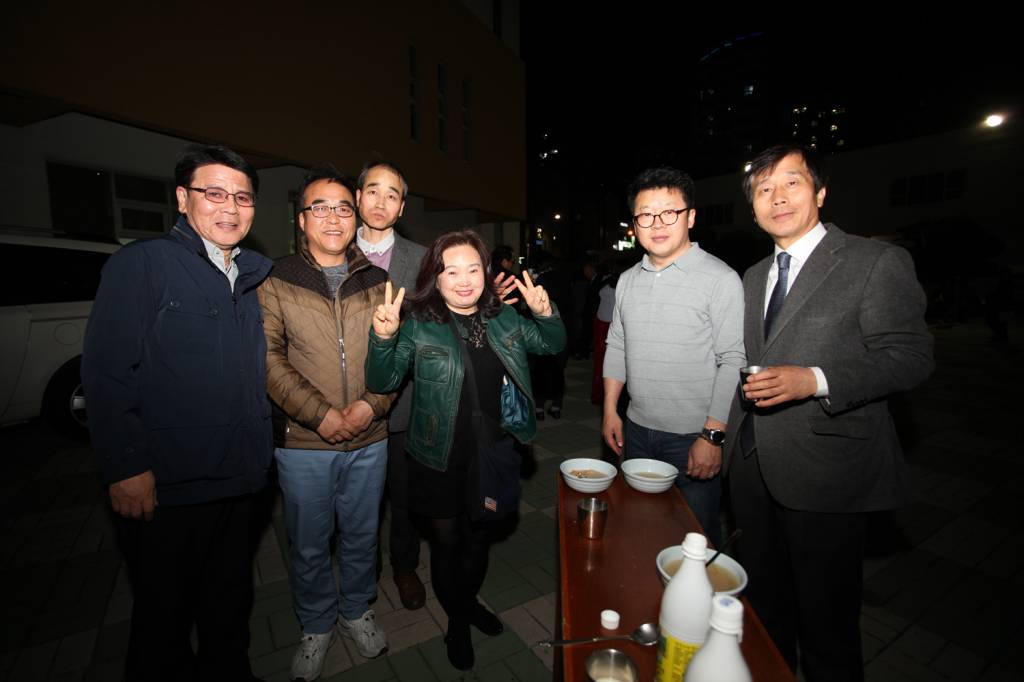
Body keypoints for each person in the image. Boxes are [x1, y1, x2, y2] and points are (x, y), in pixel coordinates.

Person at [725, 145, 934, 682]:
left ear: (819, 192)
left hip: (827, 471)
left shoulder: (873, 262)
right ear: (753, 208)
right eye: (764, 189)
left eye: (791, 183)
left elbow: (910, 357)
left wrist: (813, 380)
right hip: (752, 467)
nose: (777, 198)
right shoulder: (753, 276)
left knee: (827, 624)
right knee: (762, 611)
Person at [82, 144, 272, 681]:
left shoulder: (252, 277)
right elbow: (106, 373)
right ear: (183, 199)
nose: (229, 207)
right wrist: (125, 465)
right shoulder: (142, 265)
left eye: (242, 197)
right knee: (163, 619)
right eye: (214, 193)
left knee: (228, 602)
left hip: (240, 476)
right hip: (170, 486)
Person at [365, 230, 565, 670]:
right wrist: (383, 338)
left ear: (486, 273)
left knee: (479, 538)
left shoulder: (504, 319)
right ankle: (457, 622)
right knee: (446, 543)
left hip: (491, 451)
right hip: (435, 455)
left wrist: (544, 313)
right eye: (451, 271)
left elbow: (552, 344)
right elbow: (381, 381)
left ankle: (467, 603)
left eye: (473, 269)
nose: (464, 280)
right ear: (435, 278)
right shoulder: (418, 324)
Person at [259, 165, 394, 679]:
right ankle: (316, 624)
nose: (333, 218)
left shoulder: (377, 280)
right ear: (301, 219)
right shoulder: (276, 279)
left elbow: (395, 355)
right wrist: (322, 416)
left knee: (362, 536)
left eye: (343, 207)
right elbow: (268, 359)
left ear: (355, 216)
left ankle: (357, 611)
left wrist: (370, 406)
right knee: (310, 544)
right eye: (320, 207)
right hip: (303, 443)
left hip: (370, 437)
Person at [602, 167, 744, 544]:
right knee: (640, 530)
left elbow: (733, 359)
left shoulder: (721, 278)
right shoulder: (627, 280)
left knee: (695, 540)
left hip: (692, 436)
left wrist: (712, 436)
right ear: (634, 223)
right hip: (637, 430)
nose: (657, 224)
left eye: (669, 212)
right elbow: (617, 345)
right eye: (646, 214)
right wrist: (610, 410)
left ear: (691, 217)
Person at [354, 159, 429, 611]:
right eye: (373, 191)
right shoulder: (333, 248)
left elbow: (435, 324)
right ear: (358, 196)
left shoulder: (420, 259)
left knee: (404, 496)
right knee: (359, 502)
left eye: (392, 194)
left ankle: (405, 566)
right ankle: (364, 573)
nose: (381, 202)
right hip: (347, 399)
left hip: (404, 400)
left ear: (401, 208)